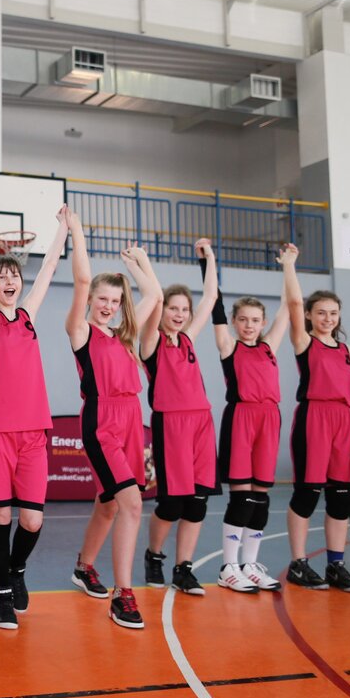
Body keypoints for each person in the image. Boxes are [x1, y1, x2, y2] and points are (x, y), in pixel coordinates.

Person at [0, 206, 70, 629]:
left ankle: (17, 568)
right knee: (1, 516)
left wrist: (63, 227)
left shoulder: (28, 315)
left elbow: (49, 267)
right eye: (1, 276)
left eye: (14, 275)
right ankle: (2, 596)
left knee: (32, 519)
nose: (10, 280)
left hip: (33, 433)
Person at [65, 218, 162, 630]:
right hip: (101, 422)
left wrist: (138, 262)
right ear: (91, 300)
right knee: (132, 504)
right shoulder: (80, 331)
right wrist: (77, 232)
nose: (107, 305)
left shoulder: (124, 336)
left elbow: (154, 294)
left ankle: (84, 567)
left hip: (130, 421)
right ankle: (124, 596)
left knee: (108, 505)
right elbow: (82, 279)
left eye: (115, 301)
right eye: (102, 298)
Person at [282, 244, 350, 592]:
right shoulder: (304, 341)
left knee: (341, 498)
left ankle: (335, 565)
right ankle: (299, 564)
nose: (328, 318)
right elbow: (293, 303)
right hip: (314, 418)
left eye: (333, 313)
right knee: (307, 494)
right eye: (321, 313)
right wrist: (289, 265)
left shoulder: (347, 350)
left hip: (344, 422)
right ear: (310, 315)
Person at [141, 239, 220, 596]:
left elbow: (211, 297)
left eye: (184, 309)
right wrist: (143, 264)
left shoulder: (187, 339)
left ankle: (183, 568)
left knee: (198, 503)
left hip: (201, 423)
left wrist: (208, 259)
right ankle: (154, 555)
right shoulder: (151, 342)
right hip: (171, 425)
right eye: (173, 308)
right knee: (172, 504)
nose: (179, 313)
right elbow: (155, 298)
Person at [212, 256, 290, 593]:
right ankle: (229, 566)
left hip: (269, 420)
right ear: (234, 322)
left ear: (264, 322)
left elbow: (290, 305)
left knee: (261, 497)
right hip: (241, 419)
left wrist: (289, 265)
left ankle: (250, 564)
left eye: (255, 320)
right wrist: (208, 262)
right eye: (242, 319)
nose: (249, 325)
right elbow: (214, 307)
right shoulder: (229, 346)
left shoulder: (269, 346)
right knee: (241, 497)